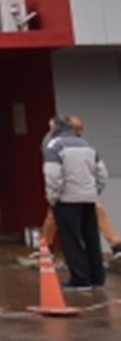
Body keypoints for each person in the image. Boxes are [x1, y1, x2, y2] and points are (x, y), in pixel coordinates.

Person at [39, 115, 121, 259]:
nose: (79, 133)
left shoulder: (74, 142)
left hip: (79, 186)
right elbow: (55, 172)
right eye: (77, 129)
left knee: (57, 215)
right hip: (69, 187)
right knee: (54, 216)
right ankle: (46, 246)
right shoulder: (53, 143)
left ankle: (116, 244)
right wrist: (54, 194)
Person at [43, 113, 109, 290]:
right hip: (88, 198)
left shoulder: (54, 147)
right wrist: (94, 191)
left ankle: (80, 279)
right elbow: (102, 173)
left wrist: (53, 197)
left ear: (54, 128)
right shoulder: (87, 145)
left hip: (67, 199)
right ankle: (97, 277)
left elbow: (53, 176)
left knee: (71, 239)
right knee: (91, 237)